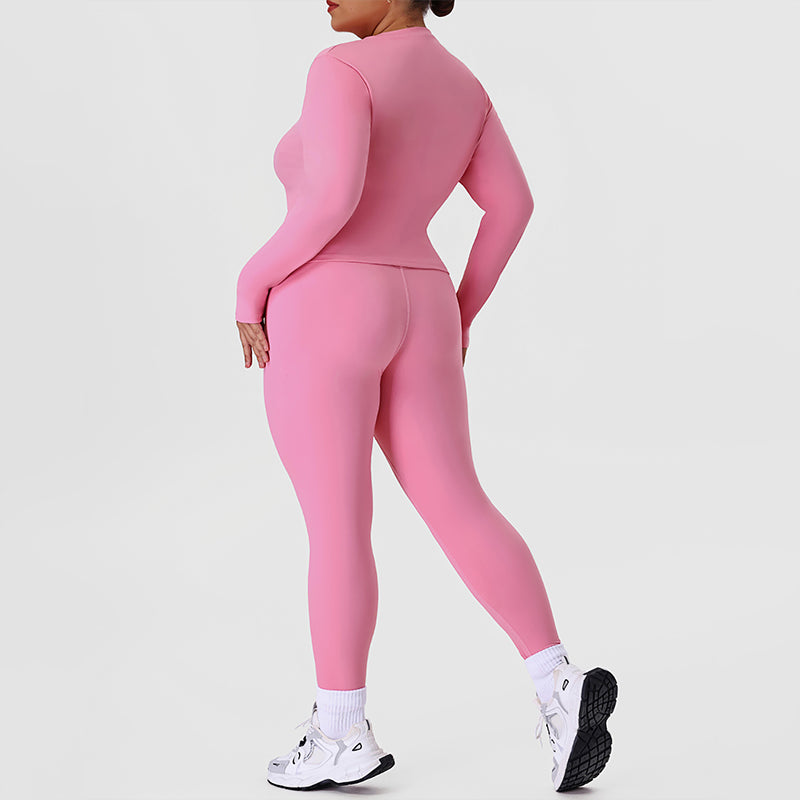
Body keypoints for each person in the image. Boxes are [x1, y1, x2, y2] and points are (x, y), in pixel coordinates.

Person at [234, 0, 618, 792]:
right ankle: (557, 680)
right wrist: (462, 314)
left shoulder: (341, 70)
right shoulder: (465, 87)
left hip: (327, 301)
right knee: (460, 502)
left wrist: (251, 282)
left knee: (338, 524)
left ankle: (340, 731)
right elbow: (512, 204)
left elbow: (332, 199)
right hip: (425, 300)